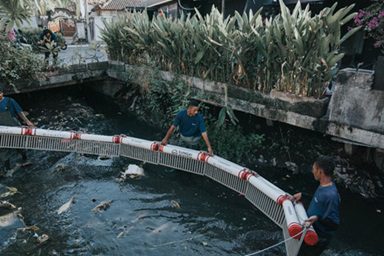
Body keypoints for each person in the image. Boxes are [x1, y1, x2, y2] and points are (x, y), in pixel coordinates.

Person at [291, 155, 340, 256]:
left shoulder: (332, 195)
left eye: (314, 169)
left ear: (320, 172)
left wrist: (317, 218)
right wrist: (303, 196)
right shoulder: (323, 186)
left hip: (317, 238)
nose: (312, 171)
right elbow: (318, 202)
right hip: (310, 230)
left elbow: (334, 223)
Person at [0, 82, 34, 171]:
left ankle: (25, 159)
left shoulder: (9, 101)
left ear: (2, 93)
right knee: (3, 149)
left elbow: (19, 112)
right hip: (2, 130)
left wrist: (27, 121)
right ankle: (7, 169)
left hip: (14, 127)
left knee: (19, 144)